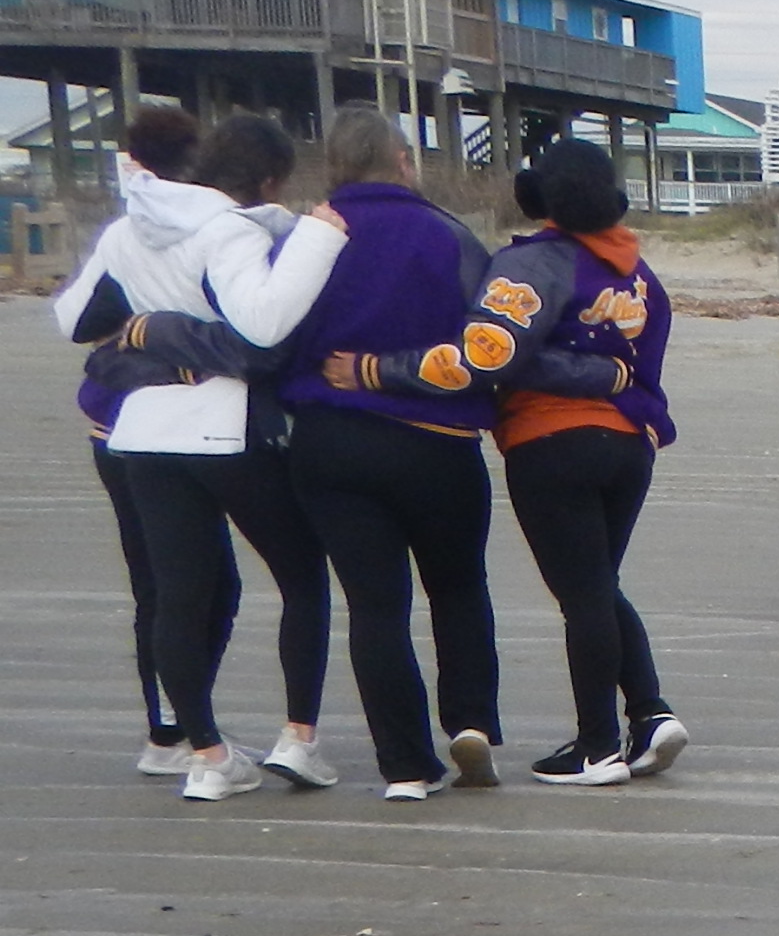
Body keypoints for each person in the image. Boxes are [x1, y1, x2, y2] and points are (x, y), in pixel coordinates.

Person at [313, 136, 683, 785]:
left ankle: (598, 746)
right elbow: (638, 367)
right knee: (596, 585)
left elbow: (487, 356)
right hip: (631, 445)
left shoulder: (534, 262)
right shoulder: (639, 272)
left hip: (553, 441)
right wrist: (612, 381)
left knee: (583, 594)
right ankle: (649, 714)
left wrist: (376, 369)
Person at [54, 106, 342, 799]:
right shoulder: (230, 229)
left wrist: (146, 331)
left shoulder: (128, 228)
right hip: (226, 429)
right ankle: (298, 738)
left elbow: (71, 317)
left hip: (145, 435)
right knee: (301, 577)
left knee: (177, 597)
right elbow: (265, 325)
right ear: (270, 178)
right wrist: (318, 241)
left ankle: (204, 754)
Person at [253, 107, 504, 800]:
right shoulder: (447, 234)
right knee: (457, 586)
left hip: (331, 441)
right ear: (403, 162)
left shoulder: (309, 238)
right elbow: (487, 345)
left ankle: (403, 765)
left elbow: (268, 336)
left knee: (375, 606)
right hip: (437, 442)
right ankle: (472, 722)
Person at [49, 104, 236, 779]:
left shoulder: (122, 230)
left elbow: (73, 317)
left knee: (155, 583)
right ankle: (185, 729)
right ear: (197, 157)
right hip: (195, 421)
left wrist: (128, 317)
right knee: (206, 581)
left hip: (116, 423)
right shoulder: (217, 222)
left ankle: (170, 730)